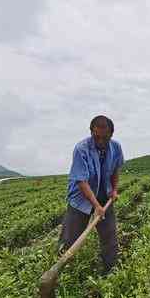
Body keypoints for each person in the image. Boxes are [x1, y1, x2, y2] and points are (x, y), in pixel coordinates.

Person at [58, 115, 124, 275]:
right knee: (70, 238)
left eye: (105, 138)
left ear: (111, 135)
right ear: (91, 132)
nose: (100, 141)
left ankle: (110, 271)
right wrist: (96, 206)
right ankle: (62, 271)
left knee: (109, 237)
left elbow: (115, 169)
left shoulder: (116, 147)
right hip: (81, 199)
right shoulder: (81, 149)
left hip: (105, 195)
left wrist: (114, 189)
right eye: (97, 137)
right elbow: (82, 181)